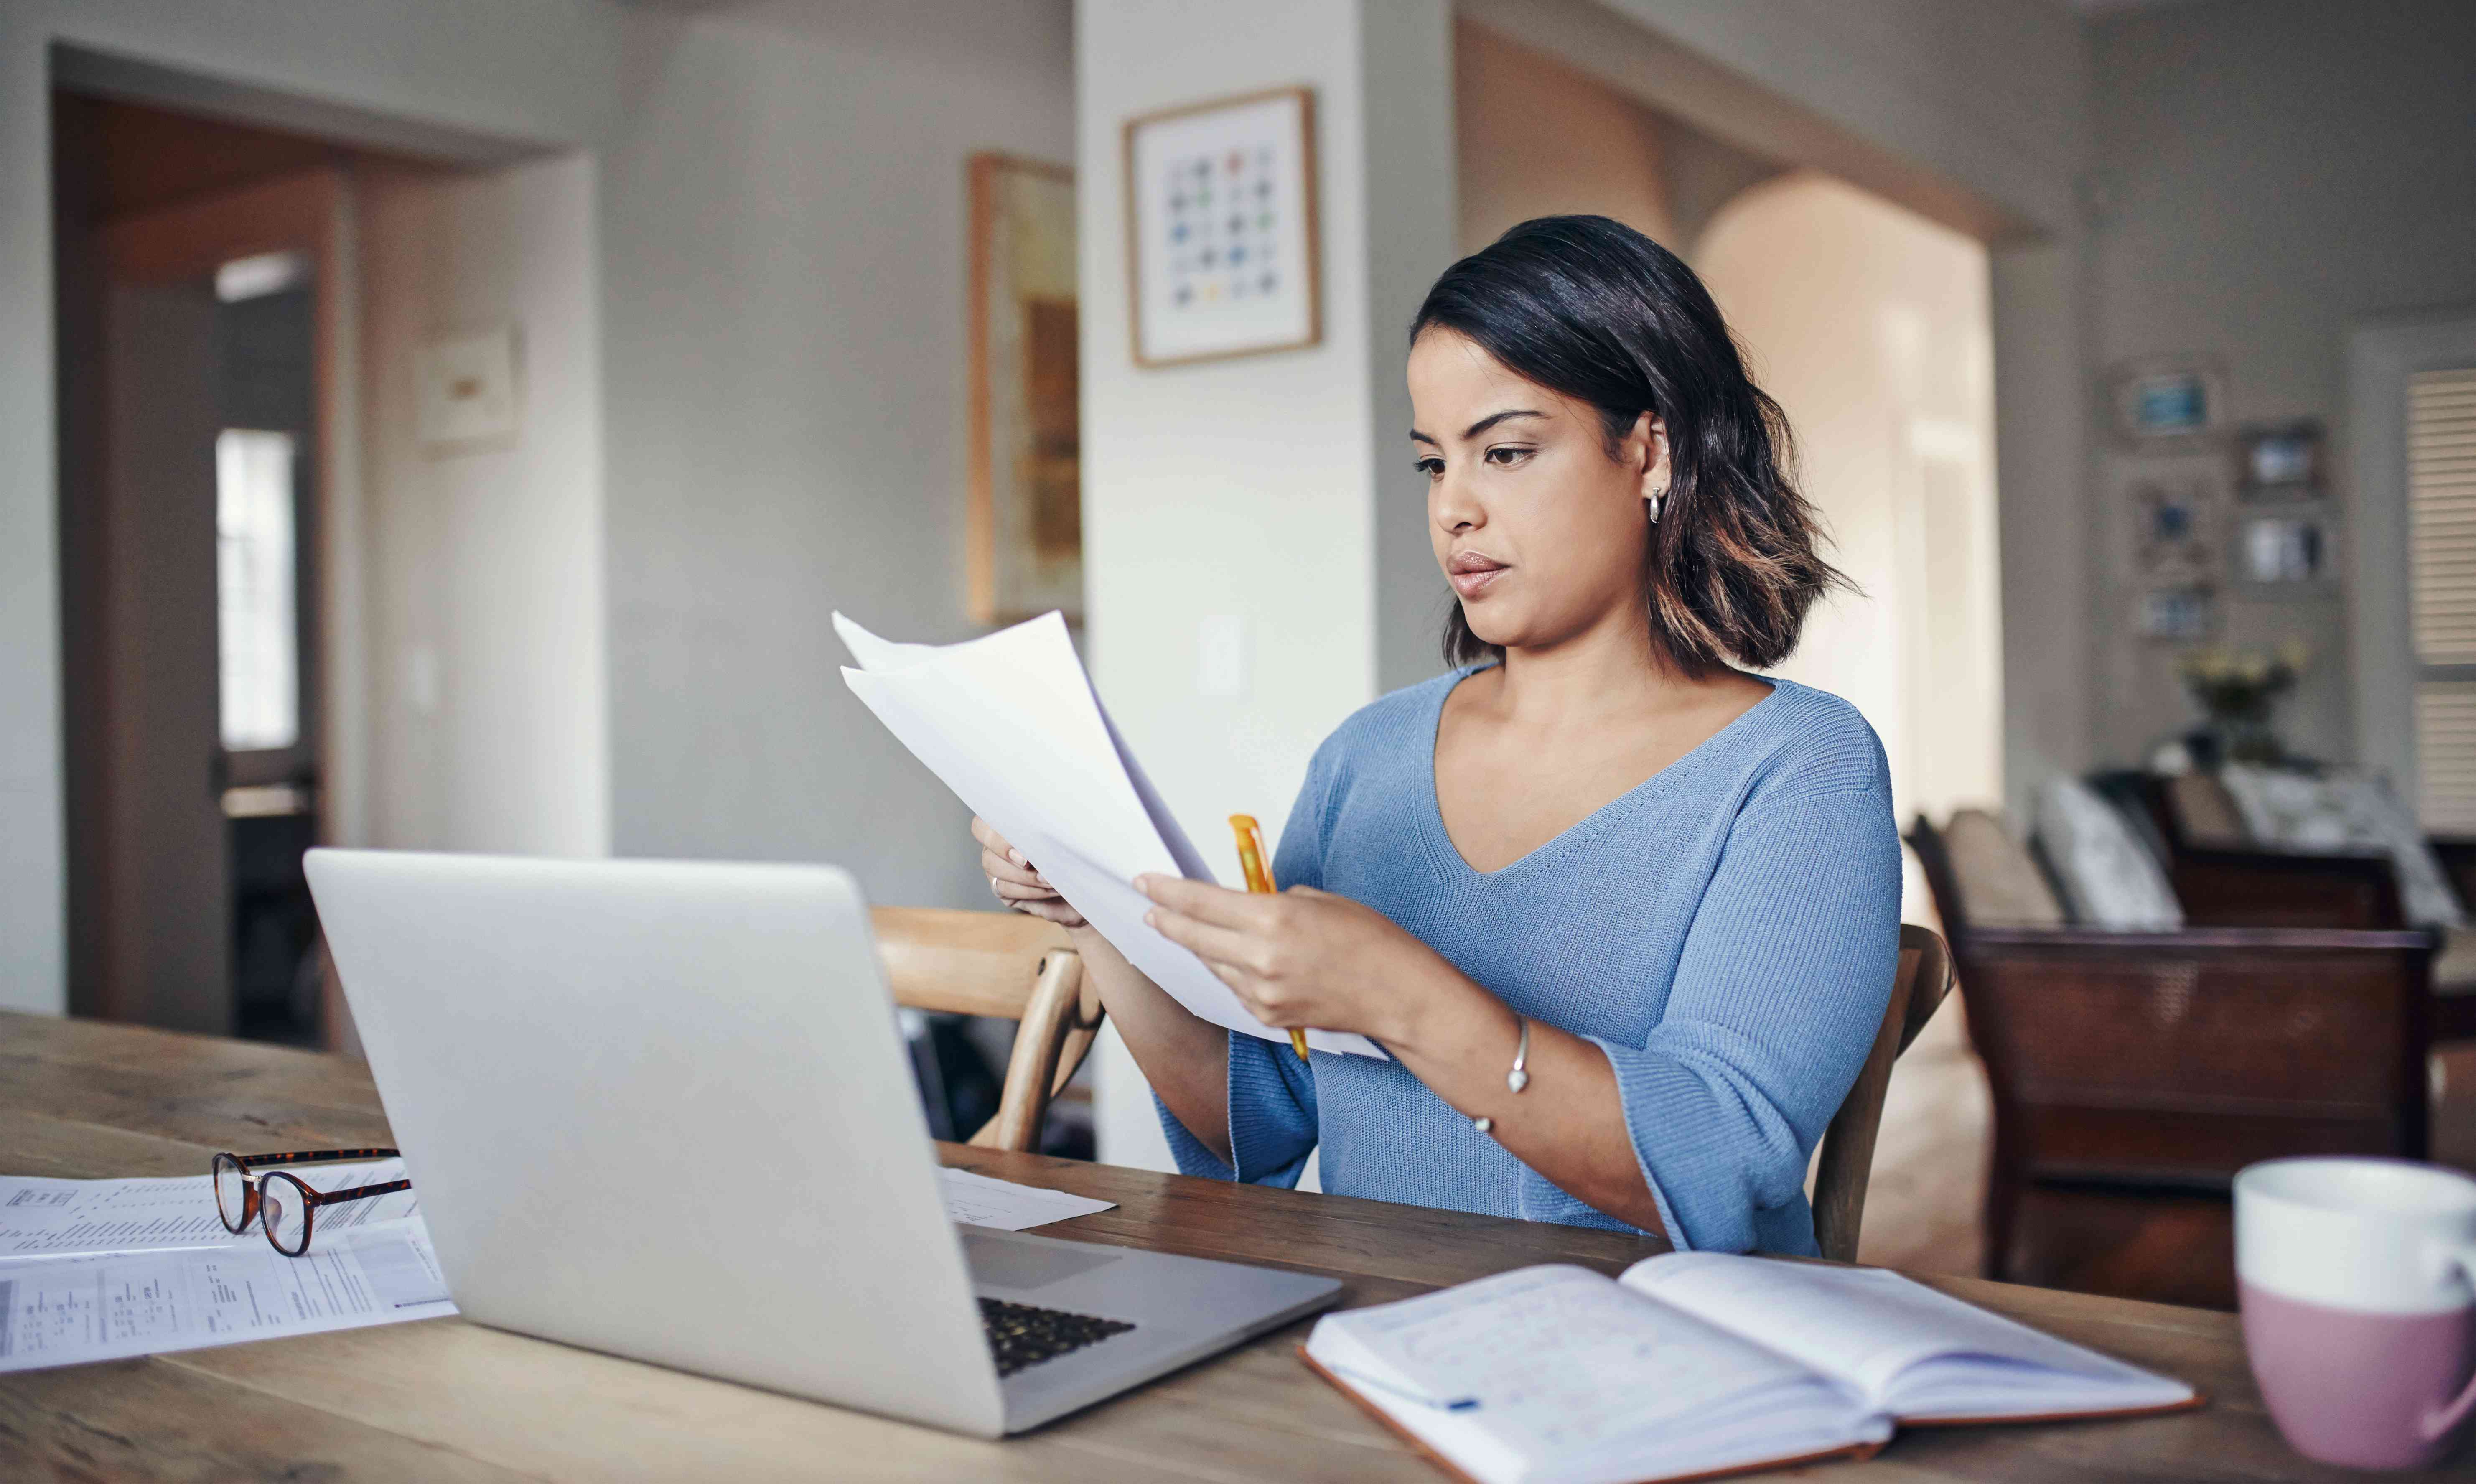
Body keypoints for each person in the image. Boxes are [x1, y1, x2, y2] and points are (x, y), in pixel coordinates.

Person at [973, 215, 1899, 1256]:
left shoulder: (1799, 768)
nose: (1454, 508)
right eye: (1432, 464)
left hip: (1665, 1369)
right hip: (1370, 1339)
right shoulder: (1366, 759)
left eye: (1504, 452)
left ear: (1650, 450)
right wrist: (1089, 911)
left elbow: (1724, 1161)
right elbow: (1261, 1122)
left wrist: (1401, 997)